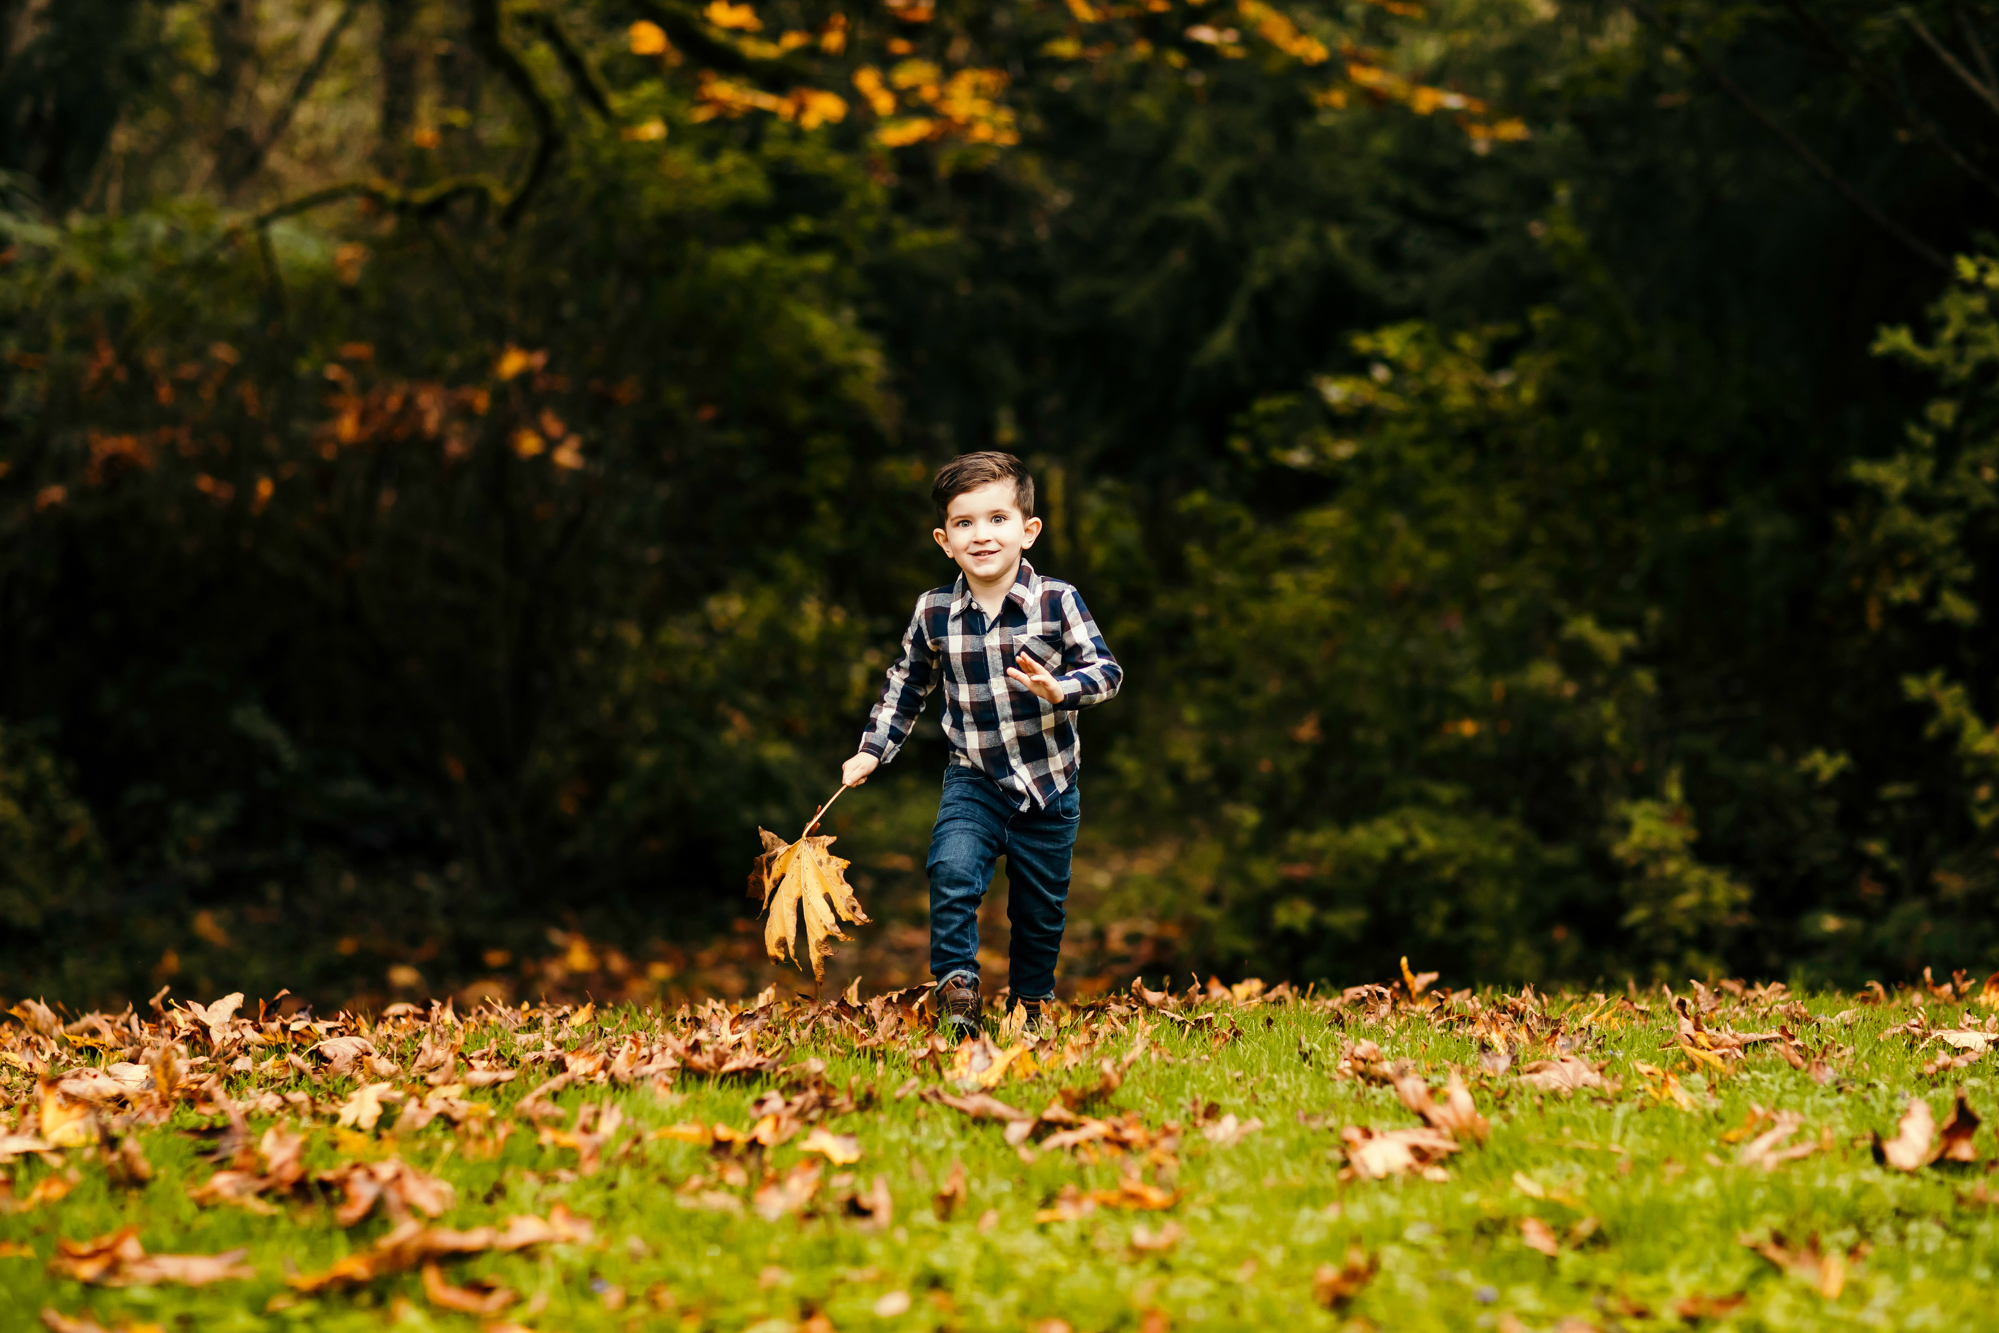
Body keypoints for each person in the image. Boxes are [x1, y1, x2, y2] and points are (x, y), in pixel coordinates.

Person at [841, 452, 1122, 1036]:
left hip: (1049, 785)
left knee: (1038, 912)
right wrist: (873, 749)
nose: (982, 535)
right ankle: (957, 993)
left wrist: (1061, 687)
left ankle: (1031, 1006)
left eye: (997, 519)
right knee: (951, 869)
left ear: (1028, 529)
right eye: (965, 524)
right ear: (945, 541)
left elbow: (1106, 671)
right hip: (974, 777)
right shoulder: (934, 611)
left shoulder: (1057, 601)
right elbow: (907, 685)